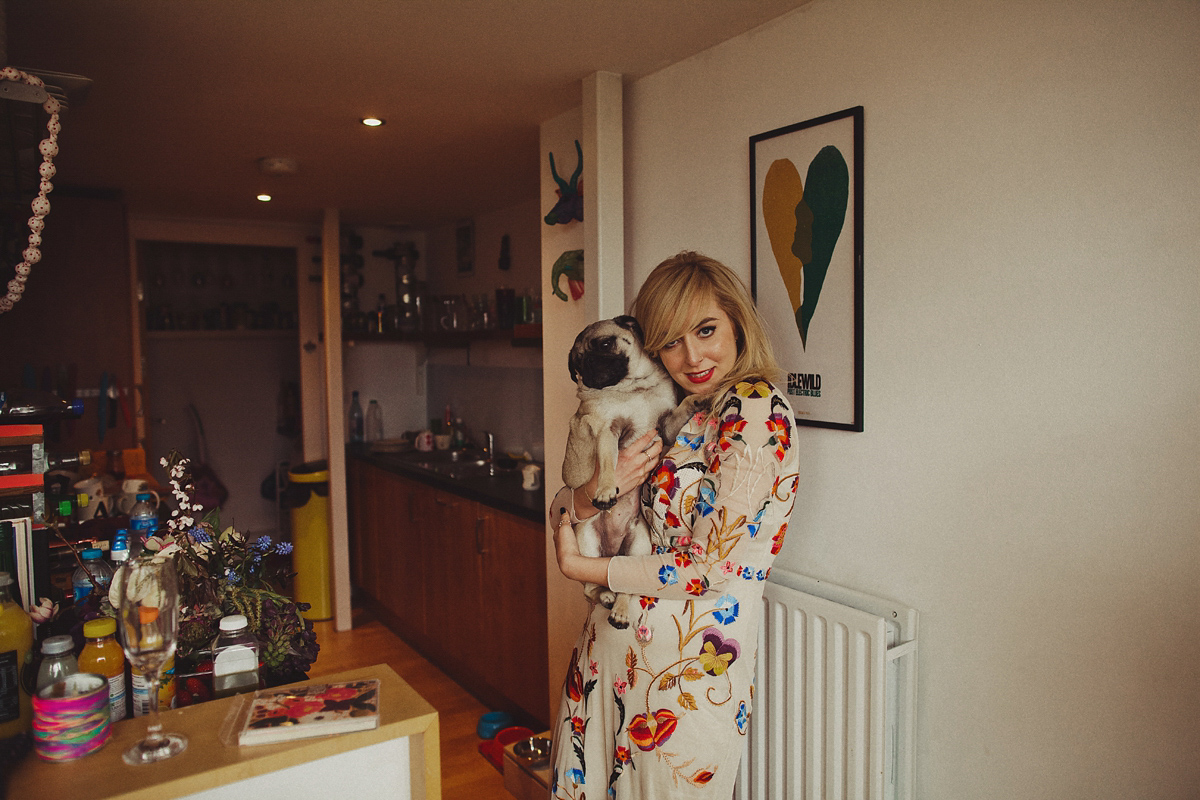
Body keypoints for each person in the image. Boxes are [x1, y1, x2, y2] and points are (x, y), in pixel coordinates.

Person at [550, 251, 801, 798]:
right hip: (613, 654)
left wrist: (583, 565)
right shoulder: (682, 408)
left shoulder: (754, 411)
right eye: (670, 340)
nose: (691, 355)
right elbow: (568, 505)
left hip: (685, 680)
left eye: (706, 330)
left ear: (737, 320)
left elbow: (710, 568)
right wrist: (590, 497)